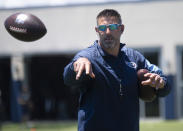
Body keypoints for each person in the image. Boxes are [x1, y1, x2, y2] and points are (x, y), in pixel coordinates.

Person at [63, 9, 171, 131]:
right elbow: (68, 78)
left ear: (121, 29)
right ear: (97, 31)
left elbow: (165, 86)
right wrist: (75, 66)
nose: (108, 32)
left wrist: (161, 83)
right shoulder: (87, 57)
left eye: (113, 27)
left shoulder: (135, 57)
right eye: (103, 28)